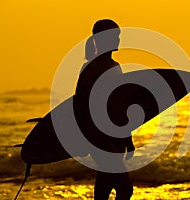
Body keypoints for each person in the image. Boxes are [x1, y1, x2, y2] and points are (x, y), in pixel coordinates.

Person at [74, 19, 135, 200]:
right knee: (125, 189)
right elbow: (81, 104)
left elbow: (120, 104)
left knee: (104, 187)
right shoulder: (91, 68)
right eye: (113, 36)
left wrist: (128, 137)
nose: (117, 40)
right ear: (100, 39)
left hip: (115, 136)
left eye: (118, 35)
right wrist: (87, 139)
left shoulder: (115, 66)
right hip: (99, 138)